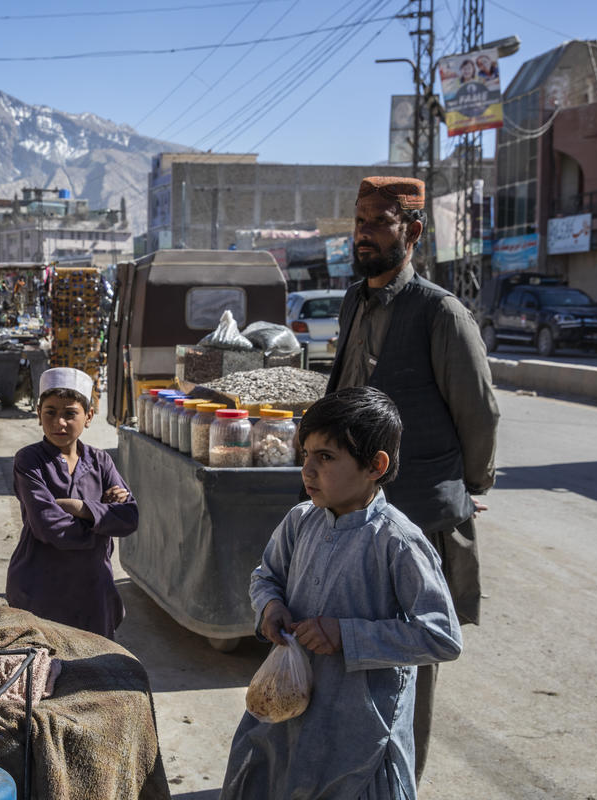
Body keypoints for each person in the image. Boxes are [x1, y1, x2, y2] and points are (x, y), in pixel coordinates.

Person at [328, 175, 499, 782]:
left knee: (409, 659)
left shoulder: (440, 313)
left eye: (380, 220)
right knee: (350, 647)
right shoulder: (353, 301)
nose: (365, 231)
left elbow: (477, 412)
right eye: (360, 219)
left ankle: (402, 783)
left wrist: (467, 489)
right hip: (353, 510)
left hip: (417, 518)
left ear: (414, 231)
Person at [220, 387, 462, 800]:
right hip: (289, 708)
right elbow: (266, 575)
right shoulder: (301, 520)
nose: (308, 471)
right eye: (306, 455)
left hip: (361, 727)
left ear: (375, 465)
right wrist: (271, 606)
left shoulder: (398, 541)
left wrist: (346, 634)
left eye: (326, 458)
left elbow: (441, 637)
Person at [5, 367, 138, 639]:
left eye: (70, 413)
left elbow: (129, 517)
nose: (59, 423)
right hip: (40, 586)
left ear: (88, 416)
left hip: (93, 590)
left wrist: (78, 507)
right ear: (39, 413)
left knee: (95, 667)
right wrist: (101, 515)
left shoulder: (100, 461)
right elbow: (48, 527)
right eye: (50, 412)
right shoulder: (29, 461)